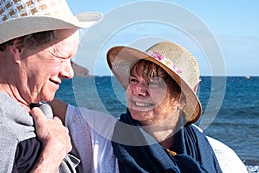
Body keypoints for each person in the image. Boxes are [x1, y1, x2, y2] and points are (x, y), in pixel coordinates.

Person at [50, 41, 248, 172]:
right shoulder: (101, 134)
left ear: (181, 99)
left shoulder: (222, 158)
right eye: (134, 79)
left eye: (153, 83)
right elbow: (39, 99)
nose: (137, 90)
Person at [0, 0, 102, 172]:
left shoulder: (32, 105)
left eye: (70, 61)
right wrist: (53, 153)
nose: (69, 73)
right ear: (18, 48)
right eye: (60, 58)